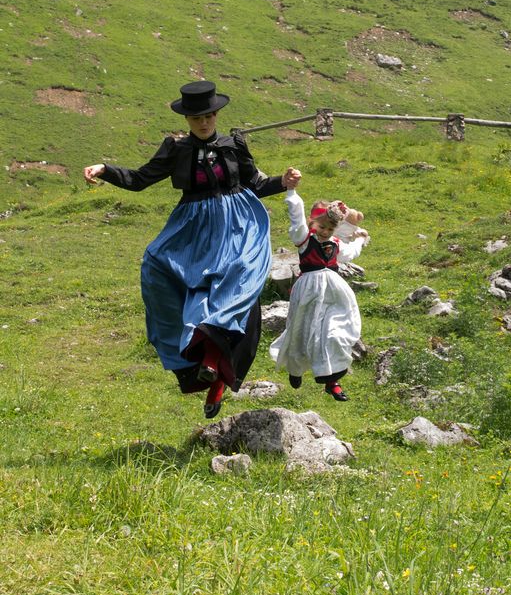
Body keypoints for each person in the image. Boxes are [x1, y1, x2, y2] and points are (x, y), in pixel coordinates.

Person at [83, 80, 300, 418]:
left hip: (236, 225)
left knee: (238, 292)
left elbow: (256, 184)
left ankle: (216, 377)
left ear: (216, 114)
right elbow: (140, 179)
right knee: (160, 267)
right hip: (193, 229)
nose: (204, 123)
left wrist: (282, 183)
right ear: (187, 119)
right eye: (197, 117)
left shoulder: (233, 145)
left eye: (209, 116)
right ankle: (200, 364)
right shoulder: (175, 149)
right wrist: (105, 170)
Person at [269, 191, 369, 401]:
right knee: (301, 331)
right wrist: (292, 192)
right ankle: (295, 369)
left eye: (330, 228)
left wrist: (360, 239)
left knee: (334, 333)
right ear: (312, 223)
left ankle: (332, 381)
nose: (325, 231)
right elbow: (296, 218)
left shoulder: (336, 244)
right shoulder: (304, 240)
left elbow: (350, 253)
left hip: (334, 293)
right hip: (308, 293)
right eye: (321, 226)